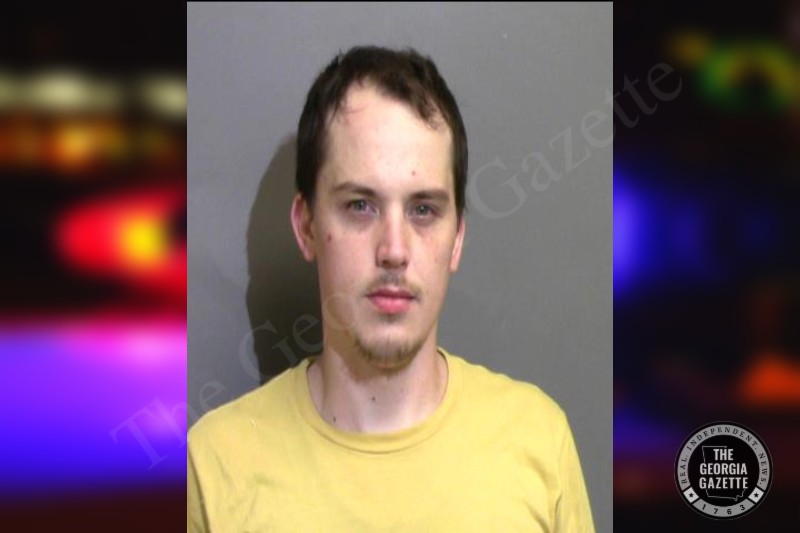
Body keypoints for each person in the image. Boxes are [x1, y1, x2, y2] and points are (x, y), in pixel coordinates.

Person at [187, 45, 595, 532]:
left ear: (457, 239)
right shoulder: (213, 467)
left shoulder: (539, 442)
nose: (395, 250)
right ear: (307, 226)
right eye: (360, 205)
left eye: (423, 210)